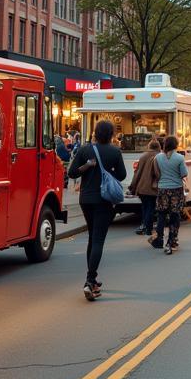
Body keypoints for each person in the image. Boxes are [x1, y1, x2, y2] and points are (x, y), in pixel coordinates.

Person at [67, 120, 127, 300]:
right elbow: (122, 175)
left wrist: (88, 166)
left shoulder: (85, 150)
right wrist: (108, 174)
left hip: (86, 199)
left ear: (95, 133)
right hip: (104, 200)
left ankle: (92, 280)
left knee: (92, 237)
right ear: (111, 135)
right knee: (98, 240)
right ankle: (89, 280)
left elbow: (71, 173)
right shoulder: (115, 151)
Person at [152, 135, 188, 254]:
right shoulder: (179, 158)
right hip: (176, 189)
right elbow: (184, 174)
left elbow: (156, 173)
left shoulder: (158, 157)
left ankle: (159, 238)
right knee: (175, 215)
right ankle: (172, 240)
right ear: (176, 145)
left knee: (161, 214)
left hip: (162, 188)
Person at [128, 138, 161, 236]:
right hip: (153, 188)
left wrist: (132, 187)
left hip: (142, 187)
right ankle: (148, 228)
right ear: (159, 147)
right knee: (151, 208)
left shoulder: (143, 156)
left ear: (149, 146)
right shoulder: (159, 157)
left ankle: (145, 225)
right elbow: (159, 174)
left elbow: (137, 173)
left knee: (145, 207)